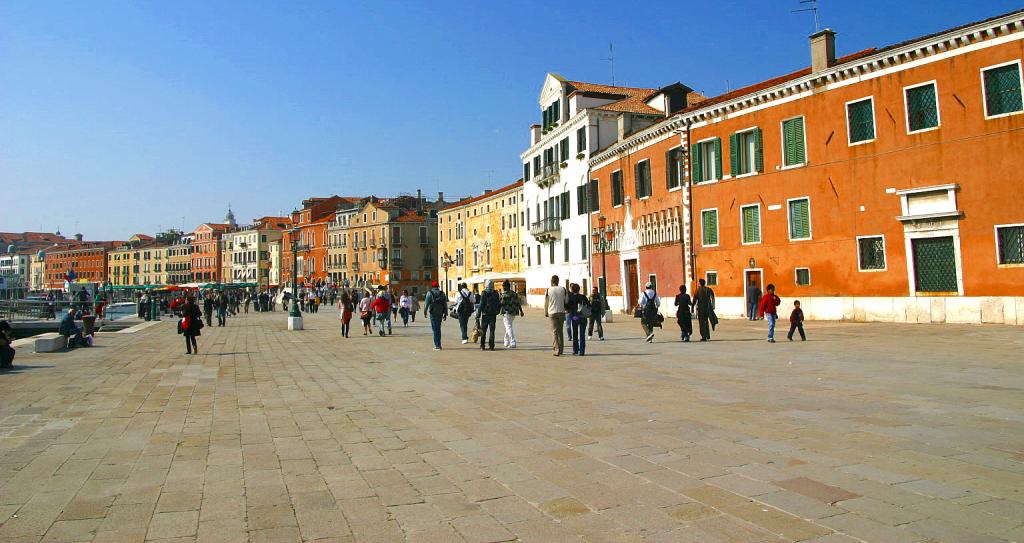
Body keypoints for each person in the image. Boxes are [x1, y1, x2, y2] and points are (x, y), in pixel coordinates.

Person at [544, 275, 568, 356]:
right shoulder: (563, 289)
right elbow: (566, 301)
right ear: (558, 281)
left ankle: (556, 349)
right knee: (560, 331)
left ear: (551, 281)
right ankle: (561, 350)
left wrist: (545, 312)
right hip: (561, 311)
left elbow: (546, 302)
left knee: (554, 331)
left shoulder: (548, 290)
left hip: (552, 312)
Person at [475, 280, 500, 351]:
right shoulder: (495, 293)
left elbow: (481, 304)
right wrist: (497, 311)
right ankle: (491, 346)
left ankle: (482, 345)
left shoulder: (484, 293)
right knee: (492, 331)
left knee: (484, 330)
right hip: (493, 314)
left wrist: (478, 315)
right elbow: (498, 303)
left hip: (485, 314)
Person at [566, 283, 590, 356]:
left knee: (575, 334)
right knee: (582, 334)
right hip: (583, 317)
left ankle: (575, 350)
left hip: (575, 317)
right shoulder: (583, 297)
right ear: (579, 289)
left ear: (572, 290)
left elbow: (567, 307)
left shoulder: (570, 297)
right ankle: (582, 351)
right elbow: (589, 306)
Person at [423, 281, 448, 350]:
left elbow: (426, 303)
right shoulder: (442, 294)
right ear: (438, 286)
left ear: (432, 286)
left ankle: (437, 345)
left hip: (433, 312)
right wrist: (445, 313)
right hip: (440, 312)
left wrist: (425, 311)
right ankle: (438, 344)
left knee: (435, 329)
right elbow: (445, 304)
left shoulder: (429, 293)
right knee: (438, 328)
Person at [499, 280, 524, 349]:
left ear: (507, 286)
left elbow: (500, 304)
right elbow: (518, 303)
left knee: (508, 327)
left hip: (507, 313)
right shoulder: (514, 293)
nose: (503, 288)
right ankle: (506, 341)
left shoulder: (504, 295)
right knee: (508, 326)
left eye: (504, 286)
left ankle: (513, 342)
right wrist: (521, 311)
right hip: (514, 313)